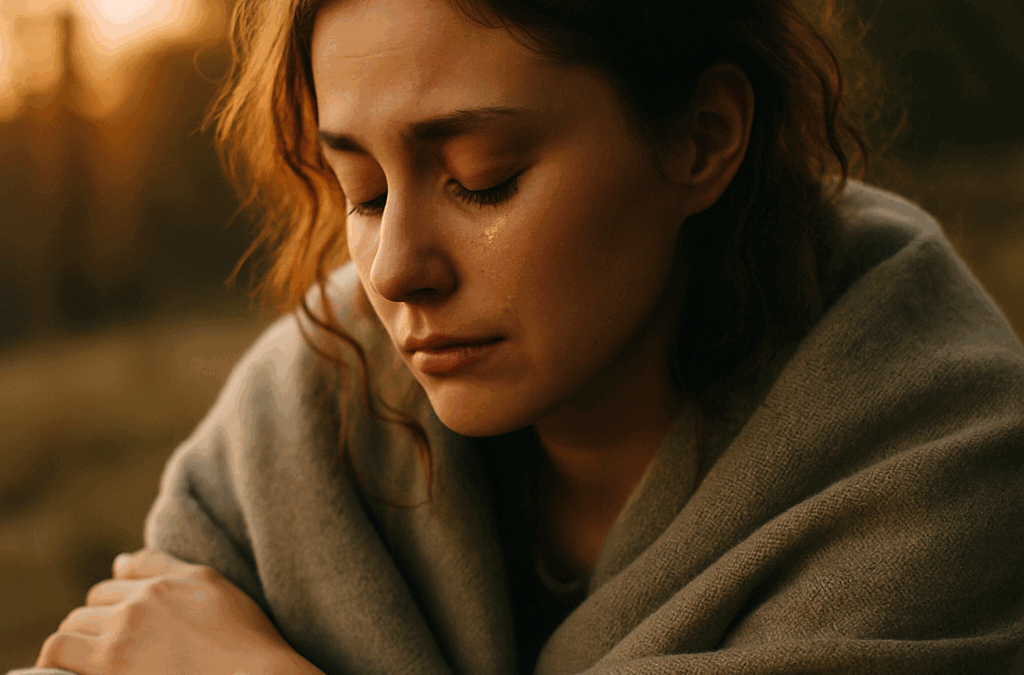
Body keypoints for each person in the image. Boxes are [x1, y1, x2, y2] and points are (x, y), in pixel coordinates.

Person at [15, 0, 1024, 673]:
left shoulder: (943, 464)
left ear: (702, 138)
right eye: (360, 191)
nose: (395, 269)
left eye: (482, 176)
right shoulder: (299, 424)